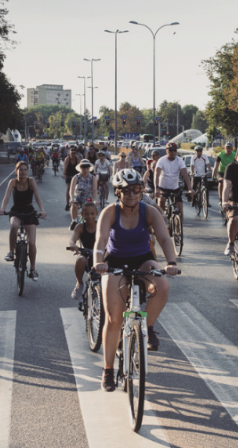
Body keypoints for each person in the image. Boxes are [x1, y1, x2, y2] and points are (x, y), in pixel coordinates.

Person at [93, 169, 180, 390]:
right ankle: (108, 370)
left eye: (136, 190)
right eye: (126, 191)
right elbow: (101, 239)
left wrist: (171, 263)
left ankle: (148, 328)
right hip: (115, 261)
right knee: (113, 319)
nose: (131, 194)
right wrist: (98, 261)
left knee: (161, 284)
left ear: (141, 191)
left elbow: (163, 237)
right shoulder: (110, 212)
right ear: (117, 192)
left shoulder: (149, 211)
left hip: (142, 258)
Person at [0, 161, 46, 279]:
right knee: (14, 225)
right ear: (16, 171)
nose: (23, 172)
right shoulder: (13, 182)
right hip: (16, 210)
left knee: (32, 243)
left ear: (27, 171)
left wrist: (42, 210)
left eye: (25, 169)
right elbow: (7, 197)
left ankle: (33, 269)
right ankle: (11, 252)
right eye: (20, 170)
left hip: (29, 211)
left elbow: (37, 196)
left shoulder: (31, 181)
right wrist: (2, 208)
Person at [68, 200, 99, 300]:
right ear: (82, 214)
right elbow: (72, 239)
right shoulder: (80, 227)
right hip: (86, 254)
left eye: (92, 214)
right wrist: (73, 245)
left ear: (97, 214)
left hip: (100, 254)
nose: (90, 216)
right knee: (80, 260)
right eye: (86, 214)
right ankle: (79, 283)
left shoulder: (101, 225)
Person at [153, 140, 192, 217]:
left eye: (174, 150)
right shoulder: (162, 160)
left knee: (180, 207)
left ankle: (179, 227)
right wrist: (156, 188)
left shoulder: (179, 160)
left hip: (175, 187)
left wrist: (190, 188)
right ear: (166, 151)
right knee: (162, 200)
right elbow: (156, 174)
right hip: (163, 187)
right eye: (170, 150)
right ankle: (161, 218)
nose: (172, 152)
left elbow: (185, 175)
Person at [68, 159, 97, 231]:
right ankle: (74, 221)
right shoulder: (76, 177)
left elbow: (94, 190)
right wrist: (72, 198)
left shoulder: (93, 178)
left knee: (91, 211)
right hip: (78, 197)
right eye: (83, 168)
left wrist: (95, 200)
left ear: (89, 169)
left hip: (88, 198)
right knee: (74, 205)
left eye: (87, 168)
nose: (85, 170)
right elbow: (71, 189)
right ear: (80, 168)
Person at [63, 146, 81, 210]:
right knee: (69, 188)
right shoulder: (67, 159)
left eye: (74, 153)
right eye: (71, 153)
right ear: (69, 153)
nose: (73, 154)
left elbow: (80, 169)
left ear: (76, 153)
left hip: (76, 175)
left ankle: (77, 201)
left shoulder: (78, 159)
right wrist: (64, 174)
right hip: (69, 174)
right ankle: (67, 203)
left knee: (77, 189)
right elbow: (65, 167)